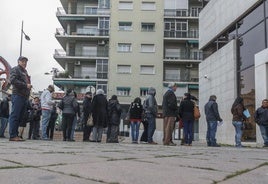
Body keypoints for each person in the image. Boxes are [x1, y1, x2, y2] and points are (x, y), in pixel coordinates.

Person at [9, 56, 32, 141]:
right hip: (18, 95)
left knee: (20, 116)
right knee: (15, 115)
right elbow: (13, 80)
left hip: (24, 96)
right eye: (22, 61)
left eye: (25, 62)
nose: (24, 63)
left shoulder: (25, 72)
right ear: (18, 62)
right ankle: (12, 135)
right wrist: (25, 85)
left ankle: (16, 135)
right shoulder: (15, 69)